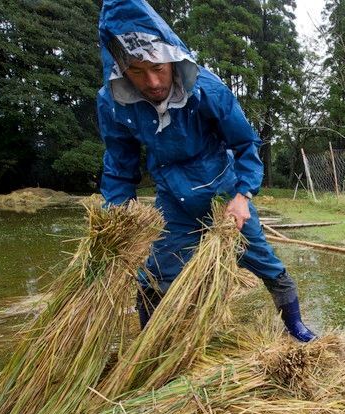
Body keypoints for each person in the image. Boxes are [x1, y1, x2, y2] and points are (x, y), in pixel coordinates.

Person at [96, 0, 316, 342]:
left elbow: (245, 145)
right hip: (174, 198)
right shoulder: (113, 103)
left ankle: (296, 327)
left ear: (171, 58)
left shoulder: (207, 89)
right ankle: (149, 343)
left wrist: (243, 197)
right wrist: (118, 219)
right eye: (137, 71)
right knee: (154, 273)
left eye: (158, 67)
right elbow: (119, 166)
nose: (152, 81)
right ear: (121, 69)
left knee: (264, 261)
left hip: (223, 193)